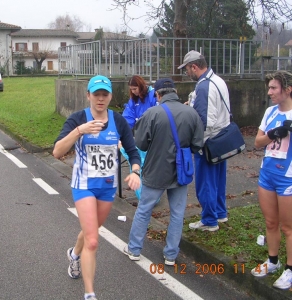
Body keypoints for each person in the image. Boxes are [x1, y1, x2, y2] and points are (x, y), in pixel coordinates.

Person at [53, 75, 141, 300]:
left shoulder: (118, 121)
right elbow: (57, 152)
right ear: (88, 96)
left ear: (110, 96)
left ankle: (74, 254)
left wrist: (135, 171)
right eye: (96, 94)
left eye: (105, 94)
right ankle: (90, 294)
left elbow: (132, 151)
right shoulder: (77, 119)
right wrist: (79, 131)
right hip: (83, 186)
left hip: (107, 188)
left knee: (89, 230)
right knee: (93, 239)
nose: (100, 99)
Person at [123, 78, 204, 265]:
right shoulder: (192, 113)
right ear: (175, 91)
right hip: (181, 171)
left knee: (144, 209)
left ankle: (134, 249)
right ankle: (171, 255)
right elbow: (197, 144)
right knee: (177, 213)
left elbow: (140, 143)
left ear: (157, 95)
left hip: (155, 170)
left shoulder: (152, 113)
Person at [178, 50, 230, 232]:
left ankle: (209, 220)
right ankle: (220, 213)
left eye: (186, 69)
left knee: (205, 182)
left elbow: (205, 120)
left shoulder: (204, 85)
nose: (186, 73)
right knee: (218, 180)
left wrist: (197, 143)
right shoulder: (218, 80)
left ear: (194, 66)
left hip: (208, 141)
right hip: (222, 139)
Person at [250, 71, 292, 289]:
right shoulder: (270, 112)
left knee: (288, 227)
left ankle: (290, 269)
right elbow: (258, 142)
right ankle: (273, 261)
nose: (270, 92)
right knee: (270, 222)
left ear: (287, 89)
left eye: (274, 88)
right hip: (267, 174)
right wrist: (274, 134)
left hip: (288, 177)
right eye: (269, 88)